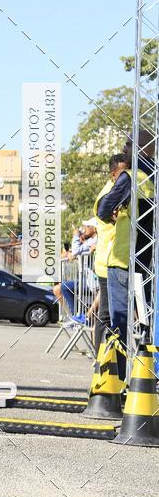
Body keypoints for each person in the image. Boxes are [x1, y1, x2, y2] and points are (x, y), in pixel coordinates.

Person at [97, 130, 155, 379]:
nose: (124, 149)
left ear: (142, 148)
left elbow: (103, 209)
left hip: (122, 262)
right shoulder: (153, 176)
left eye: (128, 145)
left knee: (117, 323)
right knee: (145, 321)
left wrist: (115, 207)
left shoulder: (130, 177)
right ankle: (146, 377)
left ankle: (115, 379)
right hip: (147, 261)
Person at [91, 153, 127, 352]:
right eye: (122, 173)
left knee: (113, 314)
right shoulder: (108, 195)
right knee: (105, 314)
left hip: (114, 259)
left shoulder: (116, 190)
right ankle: (99, 360)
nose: (126, 176)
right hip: (107, 262)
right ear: (113, 174)